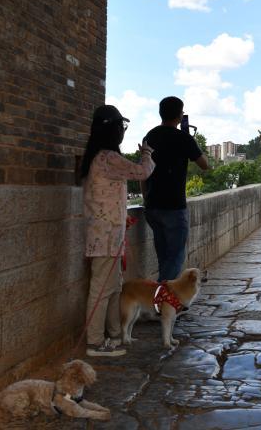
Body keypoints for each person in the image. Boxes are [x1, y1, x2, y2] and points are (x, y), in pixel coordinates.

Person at [80, 105, 155, 357]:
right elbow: (142, 171)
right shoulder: (108, 158)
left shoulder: (98, 157)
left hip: (108, 235)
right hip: (106, 237)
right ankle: (94, 342)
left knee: (112, 287)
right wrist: (146, 153)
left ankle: (113, 334)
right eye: (121, 127)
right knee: (101, 289)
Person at [142, 97, 210, 282]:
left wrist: (145, 198)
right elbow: (205, 164)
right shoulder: (183, 138)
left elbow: (143, 171)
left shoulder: (149, 136)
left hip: (152, 205)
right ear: (180, 115)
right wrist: (192, 142)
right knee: (176, 258)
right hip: (173, 206)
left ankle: (161, 299)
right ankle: (164, 300)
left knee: (163, 256)